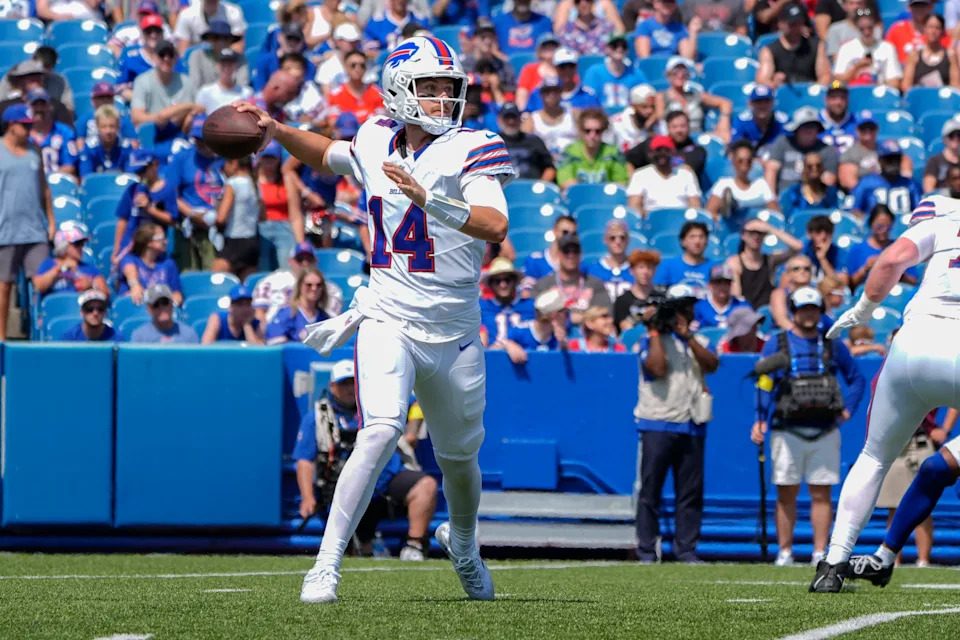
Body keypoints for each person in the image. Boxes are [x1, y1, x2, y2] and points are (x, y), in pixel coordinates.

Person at [239, 33, 519, 603]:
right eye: (430, 87)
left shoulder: (471, 145)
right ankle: (325, 564)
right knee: (381, 429)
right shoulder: (374, 137)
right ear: (398, 92)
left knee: (460, 459)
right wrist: (276, 131)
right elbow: (327, 154)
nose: (443, 98)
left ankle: (462, 543)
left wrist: (429, 200)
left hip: (455, 328)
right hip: (388, 313)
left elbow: (495, 225)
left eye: (449, 87)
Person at [815, 194, 960, 590]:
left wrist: (862, 309)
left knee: (875, 458)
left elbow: (892, 260)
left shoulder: (941, 224)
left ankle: (834, 563)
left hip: (915, 344)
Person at [751, 286, 865, 567]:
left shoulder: (832, 344)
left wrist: (848, 410)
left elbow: (857, 379)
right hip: (785, 429)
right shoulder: (776, 343)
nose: (808, 314)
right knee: (786, 491)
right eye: (803, 309)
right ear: (794, 311)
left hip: (825, 429)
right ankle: (785, 552)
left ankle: (819, 552)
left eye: (813, 309)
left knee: (821, 491)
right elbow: (764, 382)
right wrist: (760, 418)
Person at [294, 359, 439, 561]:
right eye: (343, 384)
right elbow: (304, 461)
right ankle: (359, 547)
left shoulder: (380, 404)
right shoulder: (318, 417)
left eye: (352, 383)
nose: (348, 389)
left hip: (386, 479)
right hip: (344, 483)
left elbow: (418, 401)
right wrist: (308, 497)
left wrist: (412, 430)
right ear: (332, 386)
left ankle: (414, 545)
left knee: (426, 485)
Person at [635, 283, 719, 563]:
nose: (684, 313)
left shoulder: (698, 341)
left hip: (692, 422)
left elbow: (712, 365)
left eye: (688, 307)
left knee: (690, 492)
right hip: (658, 422)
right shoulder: (650, 340)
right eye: (679, 308)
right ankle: (647, 548)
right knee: (651, 491)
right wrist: (656, 328)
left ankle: (686, 548)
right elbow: (657, 368)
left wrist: (689, 337)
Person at [867, 409, 957, 571]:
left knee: (926, 492)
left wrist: (944, 429)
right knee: (898, 502)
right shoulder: (883, 384)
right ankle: (888, 557)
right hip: (897, 439)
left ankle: (923, 560)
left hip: (921, 438)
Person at [0, 104, 53, 340]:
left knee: (44, 283)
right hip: (5, 230)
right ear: (11, 126)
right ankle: (1, 339)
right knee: (3, 286)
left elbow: (44, 189)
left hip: (35, 231)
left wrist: (51, 221)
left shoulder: (35, 151)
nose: (29, 130)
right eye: (24, 126)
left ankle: (38, 338)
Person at [165, 115, 224, 272]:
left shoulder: (226, 158)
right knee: (189, 272)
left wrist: (220, 216)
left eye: (205, 139)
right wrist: (192, 214)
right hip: (189, 226)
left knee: (214, 272)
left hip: (220, 226)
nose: (201, 143)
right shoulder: (182, 158)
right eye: (197, 139)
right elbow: (171, 193)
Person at [130, 39, 201, 158]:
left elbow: (199, 108)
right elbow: (136, 117)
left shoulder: (186, 81)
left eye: (170, 55)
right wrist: (161, 117)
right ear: (154, 58)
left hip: (182, 134)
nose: (166, 59)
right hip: (155, 136)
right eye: (162, 55)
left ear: (176, 58)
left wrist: (188, 115)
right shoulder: (142, 81)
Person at [112, 149, 178, 266]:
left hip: (154, 250)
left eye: (142, 170)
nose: (140, 175)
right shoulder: (133, 189)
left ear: (155, 165)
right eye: (137, 172)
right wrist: (117, 247)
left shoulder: (167, 189)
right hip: (130, 247)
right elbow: (123, 219)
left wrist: (150, 209)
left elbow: (172, 220)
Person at [532, 233, 612, 325]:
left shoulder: (596, 284)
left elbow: (605, 315)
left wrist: (568, 318)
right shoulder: (543, 284)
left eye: (575, 251)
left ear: (580, 254)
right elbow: (536, 316)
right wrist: (573, 318)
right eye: (566, 251)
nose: (571, 255)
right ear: (558, 254)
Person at [724, 218, 802, 309]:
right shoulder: (734, 262)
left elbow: (797, 247)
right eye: (752, 232)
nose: (756, 236)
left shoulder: (769, 260)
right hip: (746, 312)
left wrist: (770, 229)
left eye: (760, 233)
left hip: (768, 312)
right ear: (743, 235)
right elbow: (737, 297)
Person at [763, 107, 840, 195]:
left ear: (818, 129)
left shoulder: (827, 150)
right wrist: (772, 199)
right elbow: (771, 170)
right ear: (796, 128)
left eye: (812, 126)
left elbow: (830, 180)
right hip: (784, 198)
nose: (809, 129)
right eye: (804, 126)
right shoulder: (782, 143)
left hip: (814, 199)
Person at [655, 56, 733, 138]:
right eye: (675, 71)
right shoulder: (662, 96)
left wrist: (722, 128)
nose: (680, 75)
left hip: (697, 139)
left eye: (683, 71)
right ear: (668, 74)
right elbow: (661, 124)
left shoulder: (696, 95)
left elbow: (726, 103)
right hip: (674, 139)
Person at [210, 155, 261, 282]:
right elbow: (262, 216)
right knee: (247, 286)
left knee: (218, 282)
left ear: (234, 163)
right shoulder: (256, 184)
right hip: (252, 241)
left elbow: (221, 218)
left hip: (234, 241)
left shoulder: (233, 183)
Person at [847, 204, 920, 289]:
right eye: (879, 227)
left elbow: (913, 282)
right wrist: (866, 269)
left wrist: (899, 272)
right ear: (871, 224)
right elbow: (851, 285)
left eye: (888, 227)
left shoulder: (901, 248)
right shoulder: (857, 250)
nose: (884, 231)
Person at [756, 4, 831, 87]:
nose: (796, 28)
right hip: (783, 95)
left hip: (808, 92)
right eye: (792, 24)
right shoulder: (770, 50)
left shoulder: (816, 47)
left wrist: (813, 91)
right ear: (781, 23)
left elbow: (825, 76)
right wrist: (774, 84)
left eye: (799, 23)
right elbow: (762, 80)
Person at [705, 140, 778, 225]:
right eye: (740, 161)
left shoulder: (761, 185)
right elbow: (709, 213)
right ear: (733, 162)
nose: (744, 165)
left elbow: (776, 215)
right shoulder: (723, 184)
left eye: (748, 161)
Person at [626, 135, 701, 214]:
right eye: (658, 150)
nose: (662, 154)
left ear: (673, 152)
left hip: (681, 221)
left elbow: (695, 206)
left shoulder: (686, 175)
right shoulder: (640, 175)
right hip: (652, 222)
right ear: (650, 153)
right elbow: (634, 207)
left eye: (666, 150)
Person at [32, 221, 108, 299]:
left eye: (82, 244)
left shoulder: (89, 268)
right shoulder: (48, 264)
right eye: (77, 244)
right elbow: (38, 287)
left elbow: (105, 294)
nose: (81, 247)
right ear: (63, 247)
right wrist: (59, 269)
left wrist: (91, 286)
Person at [848, 140, 922, 220]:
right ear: (880, 160)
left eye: (897, 159)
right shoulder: (866, 183)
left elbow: (919, 212)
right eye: (889, 159)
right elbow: (856, 211)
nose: (894, 163)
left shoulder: (911, 184)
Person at [556, 108, 628, 189]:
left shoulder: (613, 153)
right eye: (587, 131)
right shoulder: (570, 152)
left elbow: (621, 183)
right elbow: (565, 182)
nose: (592, 135)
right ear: (581, 131)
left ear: (603, 130)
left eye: (597, 131)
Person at [833, 8, 903, 88]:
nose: (866, 32)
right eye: (862, 28)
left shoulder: (887, 48)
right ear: (856, 27)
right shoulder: (846, 48)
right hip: (852, 94)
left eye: (870, 28)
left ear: (875, 25)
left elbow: (894, 82)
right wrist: (857, 67)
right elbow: (836, 81)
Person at [118, 223, 184, 306]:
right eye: (161, 238)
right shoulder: (131, 259)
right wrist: (135, 285)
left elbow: (177, 294)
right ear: (149, 243)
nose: (166, 241)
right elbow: (130, 271)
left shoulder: (169, 264)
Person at [496, 288, 570, 361]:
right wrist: (508, 345)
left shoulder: (557, 338)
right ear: (555, 316)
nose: (568, 317)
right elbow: (492, 352)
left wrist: (563, 345)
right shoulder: (519, 332)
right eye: (566, 313)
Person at [265, 266, 331, 344]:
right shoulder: (286, 314)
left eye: (319, 285)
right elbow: (275, 346)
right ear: (300, 286)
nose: (314, 288)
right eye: (309, 285)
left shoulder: (324, 318)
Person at [581, 34, 646, 113]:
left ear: (627, 50)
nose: (619, 49)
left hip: (629, 119)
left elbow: (646, 98)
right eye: (614, 45)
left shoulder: (636, 74)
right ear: (607, 48)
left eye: (624, 46)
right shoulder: (594, 72)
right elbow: (588, 100)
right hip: (602, 118)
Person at [479, 257, 535, 347]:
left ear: (515, 281)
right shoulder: (481, 307)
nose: (503, 285)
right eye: (498, 281)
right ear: (491, 284)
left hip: (527, 358)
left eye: (507, 280)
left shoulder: (531, 306)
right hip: (493, 358)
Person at [521, 77, 578, 163]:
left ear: (561, 92)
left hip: (571, 163)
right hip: (543, 165)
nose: (552, 94)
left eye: (556, 90)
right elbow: (522, 146)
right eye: (547, 91)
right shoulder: (532, 120)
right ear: (541, 94)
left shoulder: (574, 115)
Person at [497, 102, 556, 181]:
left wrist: (540, 186)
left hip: (531, 188)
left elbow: (549, 168)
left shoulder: (534, 140)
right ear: (499, 120)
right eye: (507, 118)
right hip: (502, 189)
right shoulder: (494, 142)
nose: (511, 121)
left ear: (520, 119)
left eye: (514, 117)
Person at [520, 214, 578, 291]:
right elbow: (526, 294)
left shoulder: (576, 265)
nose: (569, 237)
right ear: (554, 231)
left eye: (573, 234)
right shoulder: (535, 261)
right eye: (565, 232)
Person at [27, 88, 78, 175]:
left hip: (57, 182)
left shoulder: (64, 131)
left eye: (43, 104)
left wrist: (48, 179)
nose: (39, 109)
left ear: (50, 106)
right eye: (35, 105)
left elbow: (70, 166)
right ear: (28, 107)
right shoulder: (23, 134)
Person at [901, 14, 959, 90]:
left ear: (942, 31)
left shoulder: (950, 55)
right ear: (924, 29)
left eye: (937, 28)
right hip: (921, 98)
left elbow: (956, 85)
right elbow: (906, 86)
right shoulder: (914, 55)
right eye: (930, 27)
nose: (933, 31)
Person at [327, 51, 385, 125]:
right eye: (353, 65)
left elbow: (382, 121)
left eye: (362, 65)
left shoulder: (377, 92)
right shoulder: (335, 95)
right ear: (345, 67)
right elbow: (332, 124)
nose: (358, 69)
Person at [188, 21, 250, 91]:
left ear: (231, 40)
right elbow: (195, 86)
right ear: (209, 39)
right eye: (216, 37)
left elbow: (242, 86)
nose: (221, 42)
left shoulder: (240, 58)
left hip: (233, 99)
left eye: (225, 38)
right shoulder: (197, 56)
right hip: (204, 100)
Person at [653, 221, 713, 292]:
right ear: (683, 241)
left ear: (707, 241)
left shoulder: (714, 268)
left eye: (701, 237)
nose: (697, 241)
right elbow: (658, 294)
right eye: (692, 237)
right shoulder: (668, 266)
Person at [130, 283, 200, 344]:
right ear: (149, 309)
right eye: (156, 304)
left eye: (165, 302)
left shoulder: (189, 335)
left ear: (172, 304)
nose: (162, 308)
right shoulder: (139, 337)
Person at [78, 105, 135, 178]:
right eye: (103, 127)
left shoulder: (126, 146)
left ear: (118, 126)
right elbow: (85, 178)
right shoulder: (89, 147)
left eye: (112, 126)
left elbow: (131, 176)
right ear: (97, 126)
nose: (108, 131)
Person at [583, 219, 634, 301]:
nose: (618, 241)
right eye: (612, 238)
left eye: (622, 237)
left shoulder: (636, 269)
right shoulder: (593, 269)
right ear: (605, 240)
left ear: (628, 240)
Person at [174, 0, 246, 54]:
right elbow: (183, 53)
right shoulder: (186, 15)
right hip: (197, 64)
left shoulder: (234, 12)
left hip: (226, 63)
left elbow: (238, 47)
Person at [195, 47, 254, 113]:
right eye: (223, 65)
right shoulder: (205, 92)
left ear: (235, 65)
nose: (226, 68)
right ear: (217, 65)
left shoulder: (246, 92)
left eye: (230, 65)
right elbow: (198, 116)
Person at [730, 84, 788, 150]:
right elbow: (736, 147)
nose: (762, 106)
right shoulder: (742, 121)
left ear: (773, 102)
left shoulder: (783, 121)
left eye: (766, 101)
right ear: (750, 104)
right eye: (758, 101)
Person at [614, 248, 659, 333]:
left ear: (654, 271)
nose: (645, 272)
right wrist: (643, 318)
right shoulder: (622, 300)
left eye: (649, 267)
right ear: (632, 270)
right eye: (641, 267)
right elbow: (624, 328)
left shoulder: (661, 297)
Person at [693, 264, 749, 329]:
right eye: (718, 282)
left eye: (727, 282)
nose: (723, 286)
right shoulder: (699, 306)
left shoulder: (742, 306)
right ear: (710, 284)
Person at [769, 254, 816, 330]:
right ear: (788, 274)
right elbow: (782, 320)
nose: (802, 271)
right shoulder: (779, 294)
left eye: (807, 268)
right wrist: (802, 335)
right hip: (785, 337)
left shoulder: (816, 294)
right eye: (796, 268)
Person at [315, 22, 363, 96]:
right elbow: (327, 96)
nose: (352, 44)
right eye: (348, 41)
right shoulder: (326, 67)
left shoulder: (364, 63)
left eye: (354, 41)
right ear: (337, 41)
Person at [59, 289, 124, 342]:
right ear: (82, 312)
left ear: (105, 312)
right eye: (89, 309)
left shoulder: (117, 338)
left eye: (100, 309)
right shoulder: (69, 339)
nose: (95, 313)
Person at [608, 84, 658, 153]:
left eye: (653, 106)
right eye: (644, 107)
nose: (650, 111)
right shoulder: (616, 124)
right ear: (633, 106)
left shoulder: (659, 125)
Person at [803, 215, 846, 285]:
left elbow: (841, 285)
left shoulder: (839, 253)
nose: (823, 236)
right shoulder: (802, 250)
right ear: (809, 234)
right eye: (818, 232)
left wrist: (822, 259)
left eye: (828, 232)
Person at [922, 117, 960, 193]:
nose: (956, 138)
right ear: (944, 138)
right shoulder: (935, 161)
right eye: (952, 135)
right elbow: (928, 191)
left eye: (959, 135)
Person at [818, 81, 857, 154]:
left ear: (848, 100)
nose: (838, 102)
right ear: (826, 100)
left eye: (842, 98)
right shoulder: (815, 122)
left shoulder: (856, 122)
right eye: (833, 97)